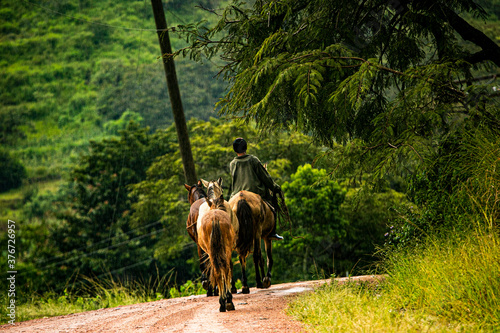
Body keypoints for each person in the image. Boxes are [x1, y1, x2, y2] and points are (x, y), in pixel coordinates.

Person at [229, 138, 283, 241]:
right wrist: (275, 187)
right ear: (246, 147)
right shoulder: (253, 160)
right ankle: (272, 232)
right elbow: (265, 177)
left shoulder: (232, 164)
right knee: (272, 205)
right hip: (256, 192)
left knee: (227, 211)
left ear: (235, 150)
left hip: (236, 193)